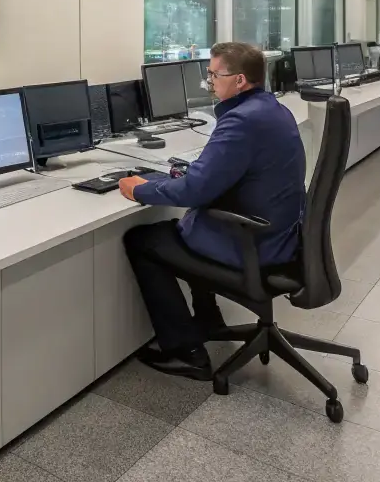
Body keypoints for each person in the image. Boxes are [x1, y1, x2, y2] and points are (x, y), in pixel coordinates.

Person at [118, 40, 306, 379]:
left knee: (145, 239)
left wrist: (141, 190)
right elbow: (222, 174)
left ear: (240, 81)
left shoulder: (241, 122)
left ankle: (186, 351)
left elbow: (195, 190)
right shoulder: (270, 109)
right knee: (186, 224)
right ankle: (208, 319)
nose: (209, 83)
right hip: (280, 234)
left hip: (254, 245)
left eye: (215, 75)